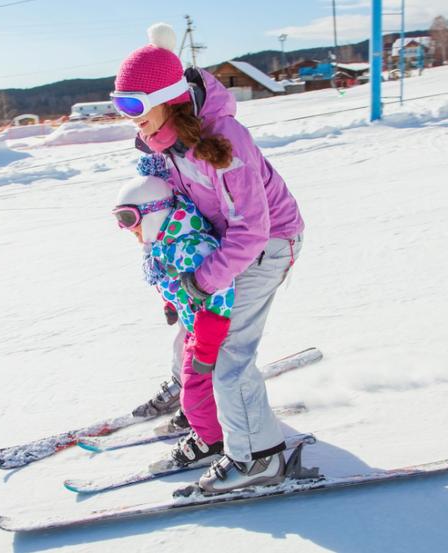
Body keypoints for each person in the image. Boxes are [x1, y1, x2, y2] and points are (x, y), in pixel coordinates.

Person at [111, 23, 305, 494]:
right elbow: (183, 214)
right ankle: (209, 420)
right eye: (123, 107)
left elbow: (252, 229)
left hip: (267, 243)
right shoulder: (164, 144)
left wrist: (205, 281)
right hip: (226, 242)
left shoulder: (224, 139)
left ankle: (259, 459)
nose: (131, 119)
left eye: (136, 107)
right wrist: (179, 283)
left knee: (228, 357)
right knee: (195, 331)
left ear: (169, 97)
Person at [112, 155, 235, 468]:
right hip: (198, 328)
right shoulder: (168, 243)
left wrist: (207, 344)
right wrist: (171, 304)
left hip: (212, 333)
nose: (128, 230)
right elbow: (175, 283)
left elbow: (221, 295)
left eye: (130, 220)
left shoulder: (191, 247)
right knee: (186, 370)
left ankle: (211, 441)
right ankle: (201, 414)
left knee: (196, 387)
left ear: (154, 212)